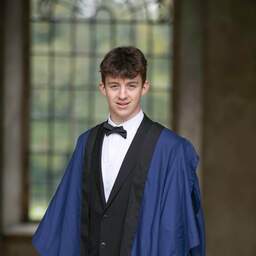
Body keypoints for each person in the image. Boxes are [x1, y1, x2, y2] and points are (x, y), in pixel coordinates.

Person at [32, 46, 205, 256]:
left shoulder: (172, 150)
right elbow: (67, 217)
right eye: (114, 86)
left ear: (145, 87)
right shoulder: (87, 142)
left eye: (131, 85)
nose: (123, 95)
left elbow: (175, 232)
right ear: (102, 87)